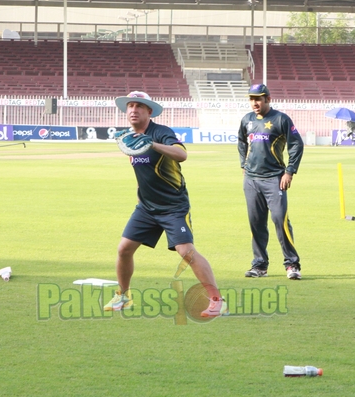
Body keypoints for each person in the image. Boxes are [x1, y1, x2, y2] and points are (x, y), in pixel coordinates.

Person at [105, 91, 226, 318]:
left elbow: (181, 155)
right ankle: (123, 296)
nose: (133, 110)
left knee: (186, 252)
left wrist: (152, 144)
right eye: (130, 106)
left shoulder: (160, 132)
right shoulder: (129, 138)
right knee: (124, 249)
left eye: (139, 106)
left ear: (149, 111)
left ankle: (217, 300)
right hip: (146, 207)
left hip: (173, 206)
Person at [237, 84, 304, 280]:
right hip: (251, 180)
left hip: (274, 179)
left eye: (258, 98)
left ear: (268, 99)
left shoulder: (280, 119)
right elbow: (241, 141)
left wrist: (289, 171)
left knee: (279, 219)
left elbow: (296, 144)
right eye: (251, 99)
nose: (254, 103)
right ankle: (259, 265)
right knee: (255, 222)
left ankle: (292, 264)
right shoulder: (246, 120)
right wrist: (243, 165)